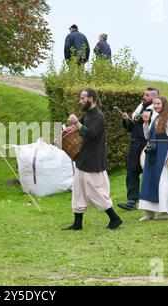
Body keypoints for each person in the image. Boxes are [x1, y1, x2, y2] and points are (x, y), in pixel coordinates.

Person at [65, 88, 123, 231]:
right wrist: (71, 126)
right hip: (83, 158)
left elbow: (90, 133)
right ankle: (77, 224)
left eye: (82, 98)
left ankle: (115, 218)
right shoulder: (88, 113)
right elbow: (79, 128)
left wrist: (77, 123)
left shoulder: (98, 116)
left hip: (93, 160)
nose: (80, 101)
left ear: (91, 99)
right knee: (78, 190)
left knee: (96, 192)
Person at [117, 87, 159, 211]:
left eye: (147, 95)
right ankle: (132, 200)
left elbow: (142, 122)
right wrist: (126, 120)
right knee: (131, 171)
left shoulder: (154, 110)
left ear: (154, 98)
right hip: (134, 143)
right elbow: (132, 127)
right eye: (144, 95)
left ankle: (151, 199)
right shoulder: (140, 108)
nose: (144, 97)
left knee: (149, 172)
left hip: (147, 144)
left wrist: (136, 119)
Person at [139, 96, 168, 220]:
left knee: (163, 182)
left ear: (164, 104)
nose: (156, 106)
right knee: (148, 181)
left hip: (163, 153)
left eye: (158, 103)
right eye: (154, 104)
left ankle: (166, 212)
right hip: (152, 153)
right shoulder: (155, 117)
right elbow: (147, 136)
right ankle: (149, 212)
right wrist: (145, 122)